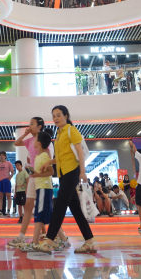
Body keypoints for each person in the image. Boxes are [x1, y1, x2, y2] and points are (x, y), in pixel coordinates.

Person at [34, 105, 96, 254]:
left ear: (66, 116)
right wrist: (49, 162)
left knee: (60, 206)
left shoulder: (71, 130)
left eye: (58, 115)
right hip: (63, 174)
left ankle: (49, 240)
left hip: (72, 172)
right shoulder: (59, 134)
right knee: (75, 209)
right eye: (53, 116)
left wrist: (83, 172)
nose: (55, 118)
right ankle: (89, 241)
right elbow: (62, 157)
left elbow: (80, 152)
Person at [10, 116, 50, 245]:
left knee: (44, 209)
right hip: (33, 177)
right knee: (29, 207)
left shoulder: (44, 141)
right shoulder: (29, 141)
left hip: (42, 178)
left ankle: (58, 235)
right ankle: (22, 236)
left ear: (40, 126)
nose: (30, 126)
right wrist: (25, 134)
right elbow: (17, 143)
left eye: (32, 124)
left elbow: (49, 161)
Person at [24, 131, 54, 250]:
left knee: (39, 214)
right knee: (48, 215)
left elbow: (51, 172)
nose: (33, 142)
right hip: (41, 188)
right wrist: (32, 171)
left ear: (40, 143)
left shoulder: (45, 156)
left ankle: (35, 242)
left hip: (44, 188)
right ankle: (63, 238)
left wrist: (37, 175)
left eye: (36, 140)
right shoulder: (38, 157)